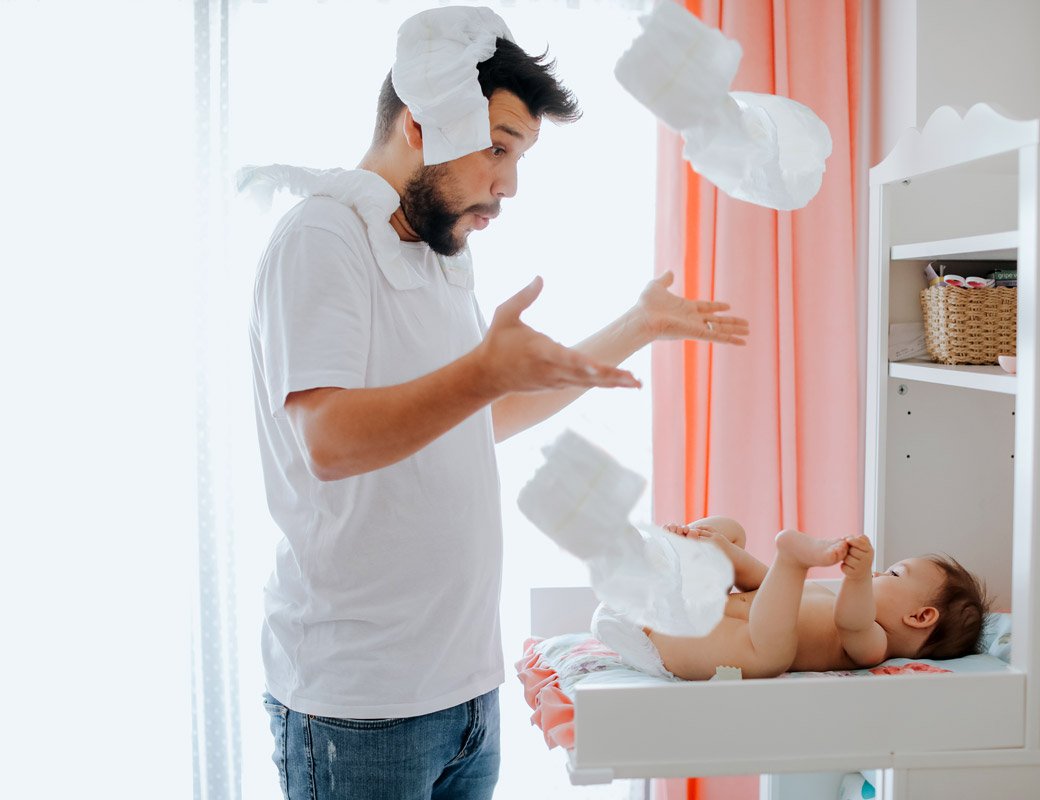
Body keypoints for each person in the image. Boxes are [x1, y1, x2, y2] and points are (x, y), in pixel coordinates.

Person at [246, 7, 748, 800]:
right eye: (499, 149)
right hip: (360, 707)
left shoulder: (443, 259)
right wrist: (483, 371)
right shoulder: (322, 238)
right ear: (419, 123)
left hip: (463, 689)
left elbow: (472, 425)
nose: (508, 184)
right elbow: (330, 441)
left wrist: (633, 328)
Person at [598, 516, 989, 680]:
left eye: (893, 574)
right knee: (728, 530)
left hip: (674, 639)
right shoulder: (818, 596)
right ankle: (663, 557)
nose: (875, 573)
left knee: (771, 657)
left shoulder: (875, 645)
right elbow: (759, 583)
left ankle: (663, 579)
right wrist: (719, 550)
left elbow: (853, 620)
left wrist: (855, 580)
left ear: (919, 617)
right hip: (685, 606)